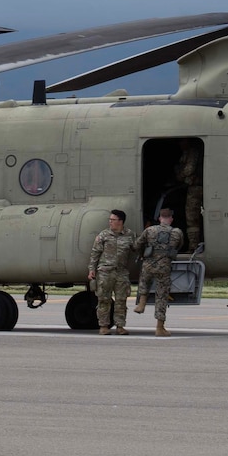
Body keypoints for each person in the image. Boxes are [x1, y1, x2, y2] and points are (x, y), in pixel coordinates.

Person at [86, 208, 142, 335]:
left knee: (121, 300)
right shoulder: (103, 235)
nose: (110, 222)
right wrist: (91, 270)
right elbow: (95, 253)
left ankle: (120, 326)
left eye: (113, 220)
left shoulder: (130, 235)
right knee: (104, 299)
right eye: (110, 220)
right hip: (105, 271)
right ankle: (103, 326)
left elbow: (136, 248)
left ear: (121, 221)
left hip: (121, 272)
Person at [134, 206, 184, 336]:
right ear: (171, 219)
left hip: (148, 264)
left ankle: (141, 304)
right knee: (161, 296)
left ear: (160, 218)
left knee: (144, 281)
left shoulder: (149, 230)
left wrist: (142, 255)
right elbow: (179, 246)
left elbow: (137, 245)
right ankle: (159, 327)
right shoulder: (177, 232)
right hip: (164, 266)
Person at [176, 142, 205, 253]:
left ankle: (194, 247)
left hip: (196, 188)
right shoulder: (193, 152)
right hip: (201, 186)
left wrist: (179, 176)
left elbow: (189, 169)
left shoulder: (192, 152)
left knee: (191, 219)